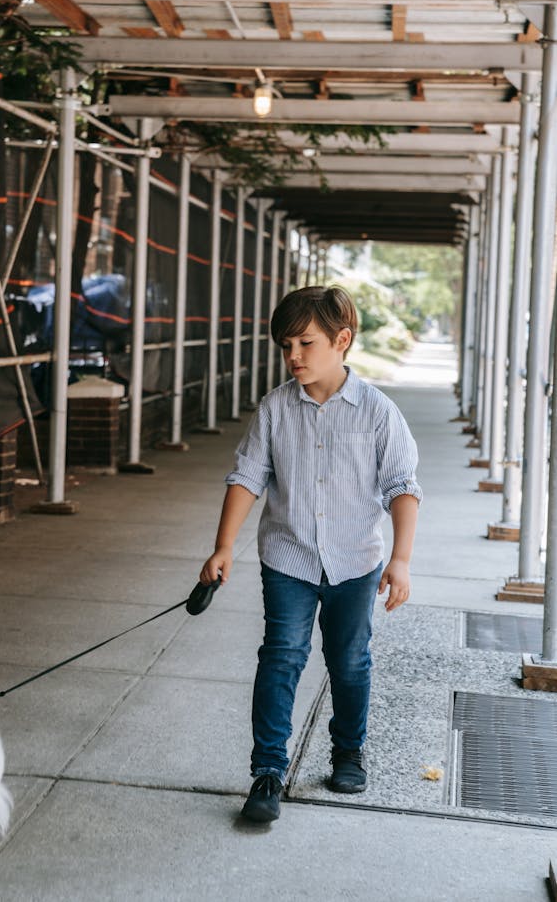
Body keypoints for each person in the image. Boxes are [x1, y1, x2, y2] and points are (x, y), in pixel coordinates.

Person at [199, 285, 421, 823]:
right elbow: (248, 476)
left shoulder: (377, 412)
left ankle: (347, 749)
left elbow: (401, 486)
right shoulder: (276, 408)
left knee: (348, 662)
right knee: (281, 659)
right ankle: (267, 772)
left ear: (341, 341)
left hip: (355, 561)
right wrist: (223, 546)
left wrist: (401, 559)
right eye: (285, 345)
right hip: (288, 558)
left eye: (305, 342)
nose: (293, 355)